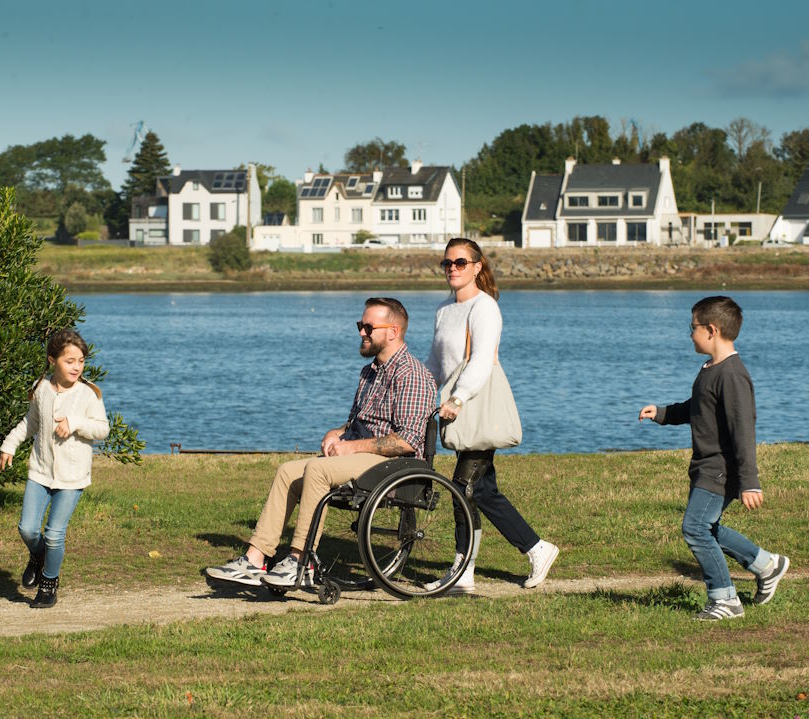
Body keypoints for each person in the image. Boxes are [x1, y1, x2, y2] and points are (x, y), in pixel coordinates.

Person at [206, 297, 437, 588]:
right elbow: (360, 422)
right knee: (288, 471)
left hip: (395, 465)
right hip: (364, 456)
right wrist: (338, 433)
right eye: (359, 325)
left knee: (318, 471)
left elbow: (408, 440)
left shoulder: (412, 374)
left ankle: (301, 561)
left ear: (393, 331)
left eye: (368, 327)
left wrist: (351, 447)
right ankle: (255, 558)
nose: (361, 333)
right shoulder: (370, 373)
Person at [639, 296, 789, 621]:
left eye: (691, 327)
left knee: (694, 528)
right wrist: (663, 413)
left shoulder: (732, 376)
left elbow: (743, 431)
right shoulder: (710, 369)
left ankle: (725, 600)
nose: (689, 334)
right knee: (707, 526)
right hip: (706, 467)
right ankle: (767, 564)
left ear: (711, 330)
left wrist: (749, 481)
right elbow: (697, 408)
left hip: (720, 471)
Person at [423, 238, 558, 594]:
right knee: (482, 490)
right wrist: (419, 389)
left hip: (476, 406)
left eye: (461, 262)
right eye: (447, 263)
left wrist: (459, 398)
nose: (453, 268)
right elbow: (437, 363)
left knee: (462, 489)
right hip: (458, 407)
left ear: (477, 267)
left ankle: (463, 571)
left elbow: (482, 360)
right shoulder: (443, 310)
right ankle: (536, 549)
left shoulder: (484, 308)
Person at [0, 329, 110, 608]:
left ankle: (48, 584)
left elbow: (102, 429)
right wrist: (10, 443)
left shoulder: (89, 395)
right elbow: (30, 423)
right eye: (70, 361)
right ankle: (38, 556)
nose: (77, 367)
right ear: (52, 360)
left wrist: (74, 422)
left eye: (81, 361)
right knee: (27, 529)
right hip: (40, 472)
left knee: (54, 534)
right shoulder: (41, 390)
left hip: (72, 479)